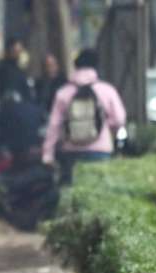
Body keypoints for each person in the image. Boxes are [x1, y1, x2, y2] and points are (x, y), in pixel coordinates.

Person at [42, 48, 127, 186]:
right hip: (100, 150)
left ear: (76, 67)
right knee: (97, 193)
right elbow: (119, 119)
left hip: (70, 151)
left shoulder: (63, 92)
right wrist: (106, 127)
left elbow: (54, 126)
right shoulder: (107, 90)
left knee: (71, 192)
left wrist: (48, 155)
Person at [0, 37, 34, 103]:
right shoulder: (2, 68)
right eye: (16, 51)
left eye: (20, 51)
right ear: (10, 50)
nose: (18, 54)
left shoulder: (20, 70)